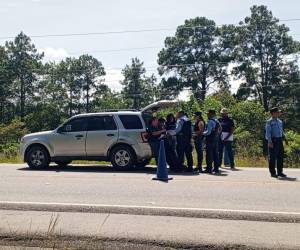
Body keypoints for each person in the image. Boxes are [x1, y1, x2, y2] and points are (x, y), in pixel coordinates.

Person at [265, 107, 288, 178]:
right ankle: (273, 173)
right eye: (277, 112)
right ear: (273, 113)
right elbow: (268, 133)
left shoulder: (280, 121)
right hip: (273, 140)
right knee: (272, 157)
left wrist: (285, 138)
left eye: (279, 112)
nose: (279, 113)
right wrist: (270, 142)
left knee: (280, 157)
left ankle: (280, 172)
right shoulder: (269, 122)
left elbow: (281, 131)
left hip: (279, 140)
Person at [203, 109, 221, 174]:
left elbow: (208, 132)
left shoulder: (210, 121)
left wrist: (202, 133)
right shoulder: (216, 121)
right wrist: (217, 134)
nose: (207, 114)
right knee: (215, 154)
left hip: (210, 139)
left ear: (212, 114)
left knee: (209, 154)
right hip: (215, 139)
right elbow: (220, 129)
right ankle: (216, 168)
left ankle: (209, 168)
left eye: (208, 113)